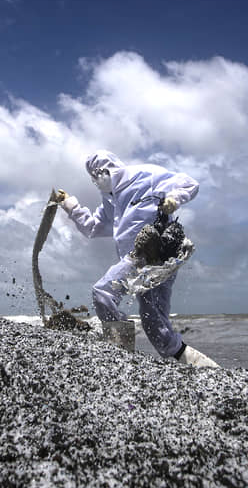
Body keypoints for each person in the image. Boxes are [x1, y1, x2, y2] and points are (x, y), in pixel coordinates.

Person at [54, 150, 219, 368]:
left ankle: (120, 352)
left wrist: (173, 198)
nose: (95, 181)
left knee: (107, 294)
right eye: (92, 178)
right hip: (139, 262)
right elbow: (93, 227)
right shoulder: (110, 198)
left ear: (108, 169)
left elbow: (189, 183)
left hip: (156, 254)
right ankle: (204, 368)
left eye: (97, 175)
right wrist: (70, 205)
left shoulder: (146, 175)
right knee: (153, 322)